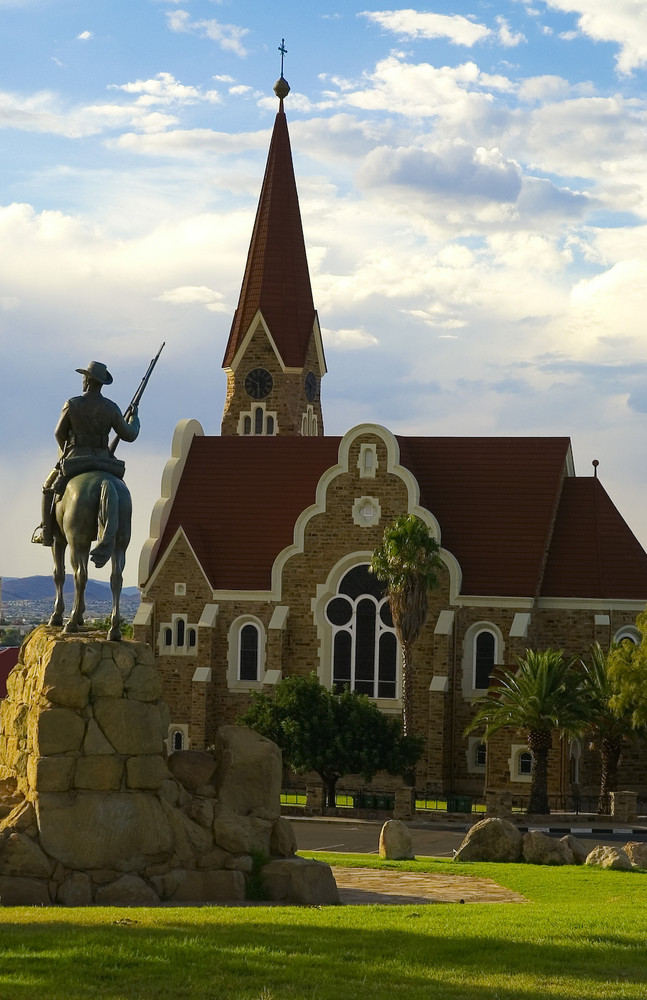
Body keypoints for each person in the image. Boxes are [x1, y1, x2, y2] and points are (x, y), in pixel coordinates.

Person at [32, 361, 140, 546]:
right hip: (105, 461)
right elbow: (129, 434)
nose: (83, 380)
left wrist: (65, 453)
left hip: (76, 459)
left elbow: (59, 433)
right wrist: (134, 418)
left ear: (88, 381)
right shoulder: (111, 407)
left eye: (84, 377)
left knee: (47, 487)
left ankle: (47, 533)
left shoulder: (72, 404)